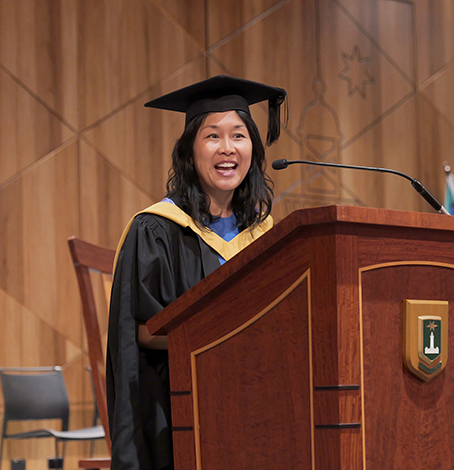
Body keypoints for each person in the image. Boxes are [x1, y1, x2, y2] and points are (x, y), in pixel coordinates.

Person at [106, 75, 287, 470]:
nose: (227, 149)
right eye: (212, 136)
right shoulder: (156, 229)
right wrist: (229, 338)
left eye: (238, 136)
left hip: (259, 405)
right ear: (190, 150)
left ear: (253, 148)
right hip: (180, 410)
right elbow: (145, 331)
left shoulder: (267, 234)